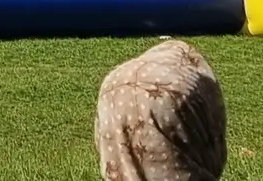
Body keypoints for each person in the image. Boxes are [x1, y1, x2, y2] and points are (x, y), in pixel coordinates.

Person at [95, 39, 226, 181]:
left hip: (114, 91)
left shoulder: (115, 79)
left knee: (124, 160)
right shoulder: (198, 74)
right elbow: (214, 135)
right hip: (169, 95)